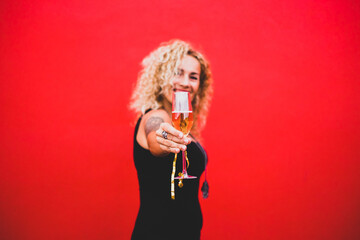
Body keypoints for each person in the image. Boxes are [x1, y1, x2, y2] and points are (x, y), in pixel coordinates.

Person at [129, 40, 213, 240]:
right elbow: (156, 136)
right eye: (177, 72)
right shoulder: (154, 117)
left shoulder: (185, 127)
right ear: (161, 78)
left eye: (193, 77)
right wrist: (165, 137)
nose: (185, 82)